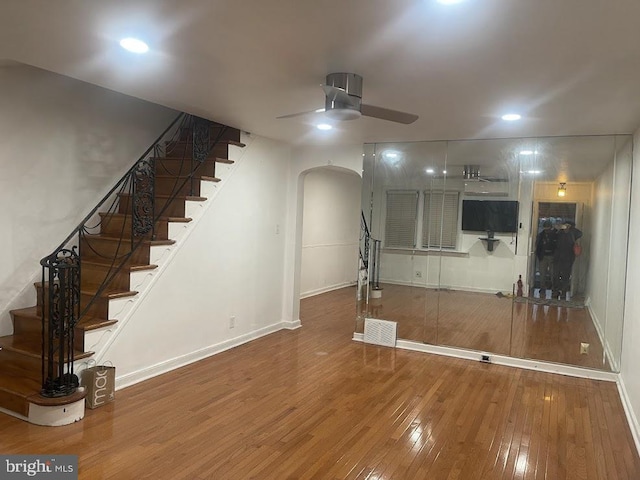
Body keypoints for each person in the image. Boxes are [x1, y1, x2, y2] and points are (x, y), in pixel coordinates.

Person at [553, 220, 582, 300]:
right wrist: (559, 228)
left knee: (565, 277)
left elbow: (580, 234)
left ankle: (563, 293)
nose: (565, 227)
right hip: (558, 257)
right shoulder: (560, 232)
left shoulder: (573, 233)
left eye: (567, 225)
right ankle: (555, 291)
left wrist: (571, 229)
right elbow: (553, 235)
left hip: (568, 258)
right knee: (555, 275)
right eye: (565, 225)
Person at [535, 220, 557, 299]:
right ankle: (542, 288)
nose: (547, 230)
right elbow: (537, 246)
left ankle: (554, 289)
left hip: (552, 256)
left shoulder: (555, 235)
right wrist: (539, 255)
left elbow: (557, 246)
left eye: (548, 228)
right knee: (542, 274)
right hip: (543, 256)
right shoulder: (540, 236)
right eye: (546, 228)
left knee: (553, 274)